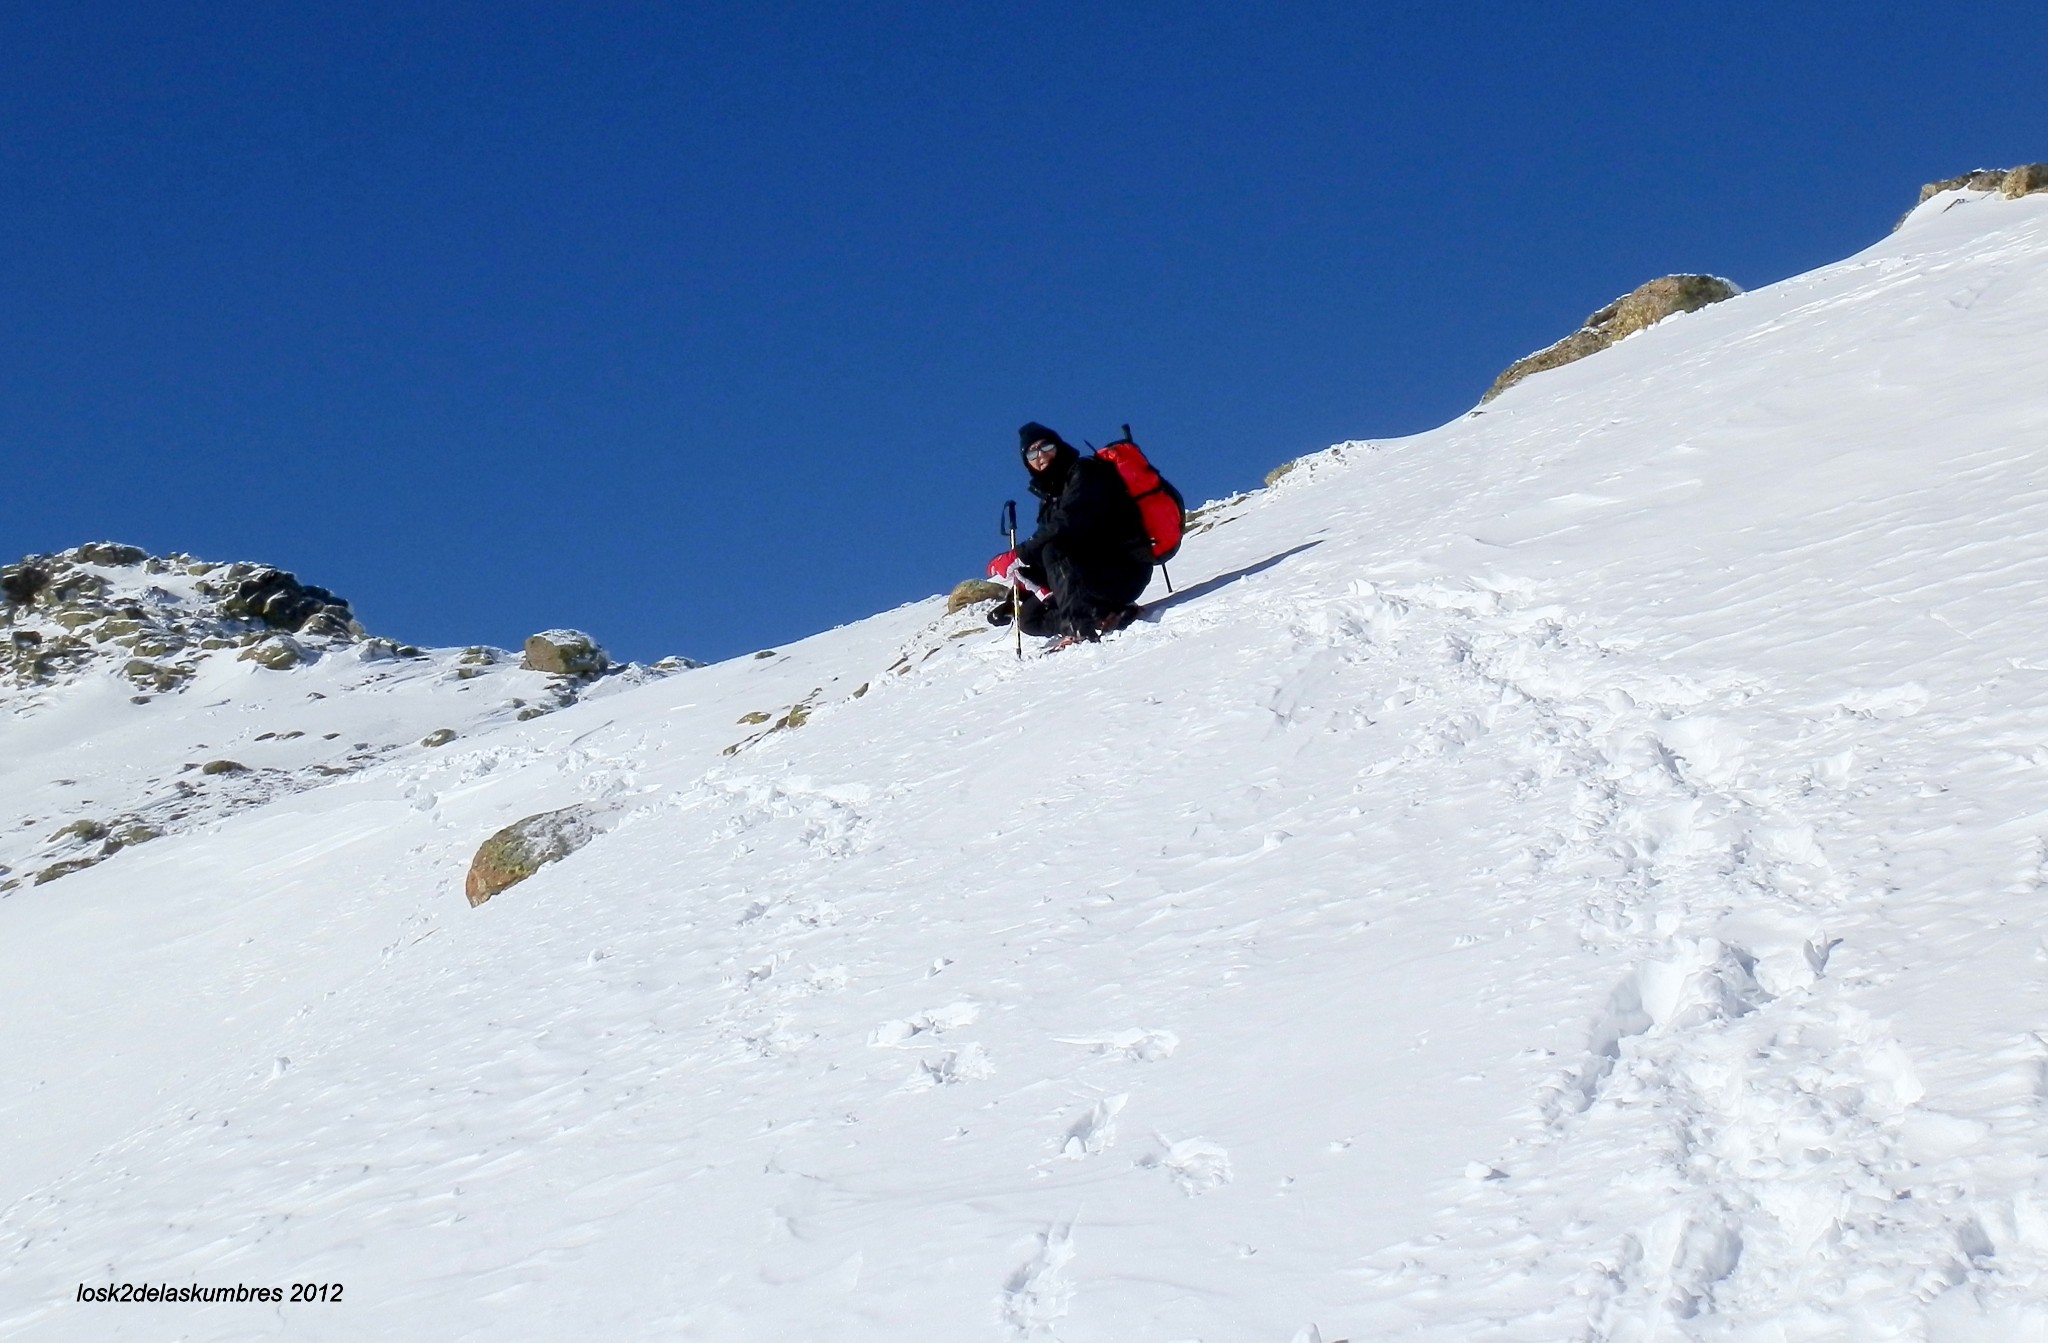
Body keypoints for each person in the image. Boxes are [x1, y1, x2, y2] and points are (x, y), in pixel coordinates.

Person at [994, 422, 1153, 644]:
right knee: (1029, 618)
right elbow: (1046, 552)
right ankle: (1104, 615)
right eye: (1032, 453)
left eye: (1046, 446)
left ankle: (1080, 626)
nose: (1041, 455)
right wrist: (1020, 591)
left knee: (1053, 548)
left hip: (1124, 569)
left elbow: (1066, 524)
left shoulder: (1084, 473)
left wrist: (1018, 554)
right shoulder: (1049, 499)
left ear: (1058, 446)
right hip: (1091, 575)